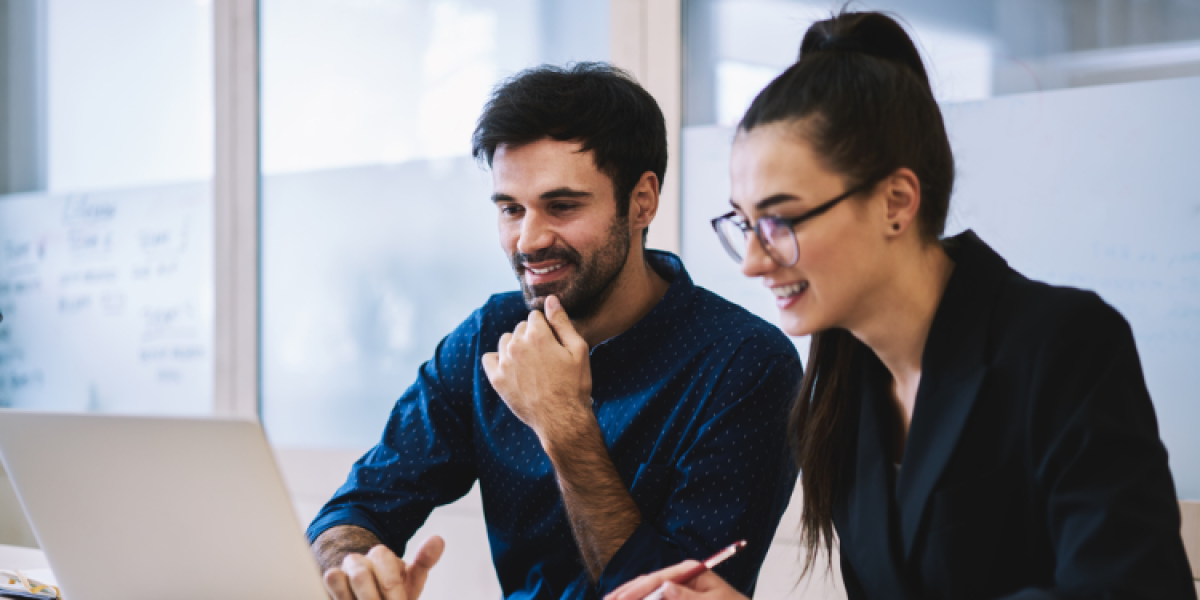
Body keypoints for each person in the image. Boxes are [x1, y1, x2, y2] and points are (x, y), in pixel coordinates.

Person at [607, 11, 1197, 600]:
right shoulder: (843, 394)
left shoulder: (1063, 346)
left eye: (781, 220)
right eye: (745, 223)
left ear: (896, 201)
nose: (754, 262)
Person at [309, 63, 804, 600]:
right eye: (510, 209)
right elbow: (354, 509)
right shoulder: (489, 336)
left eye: (562, 206)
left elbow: (679, 593)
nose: (528, 240)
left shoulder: (746, 365)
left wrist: (564, 427)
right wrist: (354, 569)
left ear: (642, 201)